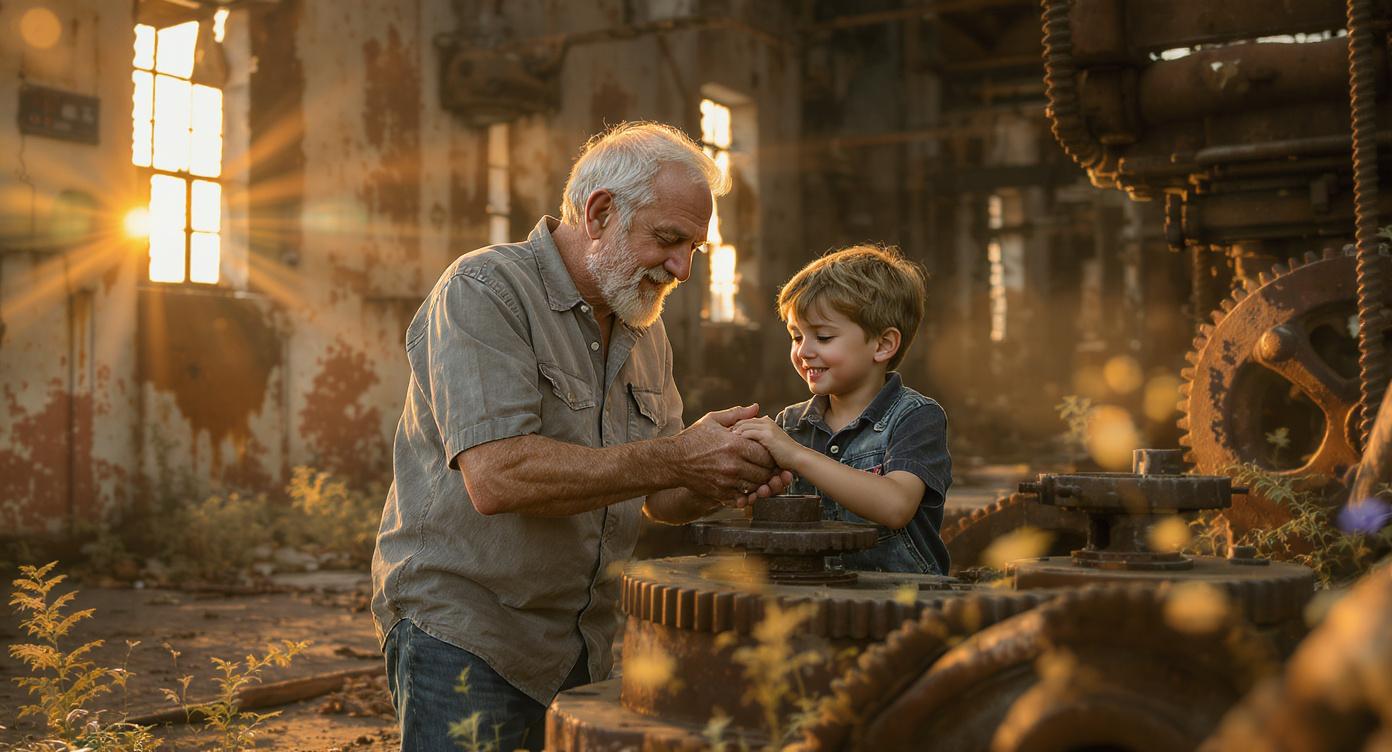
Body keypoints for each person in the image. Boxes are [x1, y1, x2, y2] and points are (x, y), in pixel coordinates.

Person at [371, 121, 791, 751]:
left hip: (583, 640)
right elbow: (498, 476)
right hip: (467, 633)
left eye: (694, 250)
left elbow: (662, 495)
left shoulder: (643, 327)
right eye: (669, 239)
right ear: (599, 212)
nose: (681, 268)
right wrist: (678, 455)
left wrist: (726, 469)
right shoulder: (483, 291)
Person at [733, 244, 952, 575]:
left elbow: (895, 506)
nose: (804, 351)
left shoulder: (916, 418)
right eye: (796, 337)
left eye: (822, 337)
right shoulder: (790, 425)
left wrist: (795, 455)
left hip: (902, 601)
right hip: (808, 593)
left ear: (882, 345)